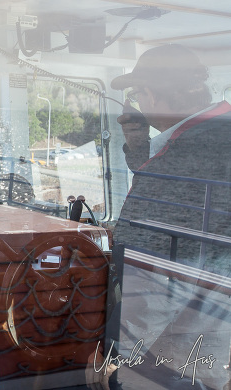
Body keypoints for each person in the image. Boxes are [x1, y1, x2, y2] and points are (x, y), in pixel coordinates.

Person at [89, 44, 231, 389]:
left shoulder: (196, 148)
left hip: (177, 343)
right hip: (213, 318)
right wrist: (140, 144)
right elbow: (176, 192)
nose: (139, 103)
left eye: (138, 94)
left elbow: (152, 266)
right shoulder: (212, 134)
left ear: (151, 93)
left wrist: (118, 355)